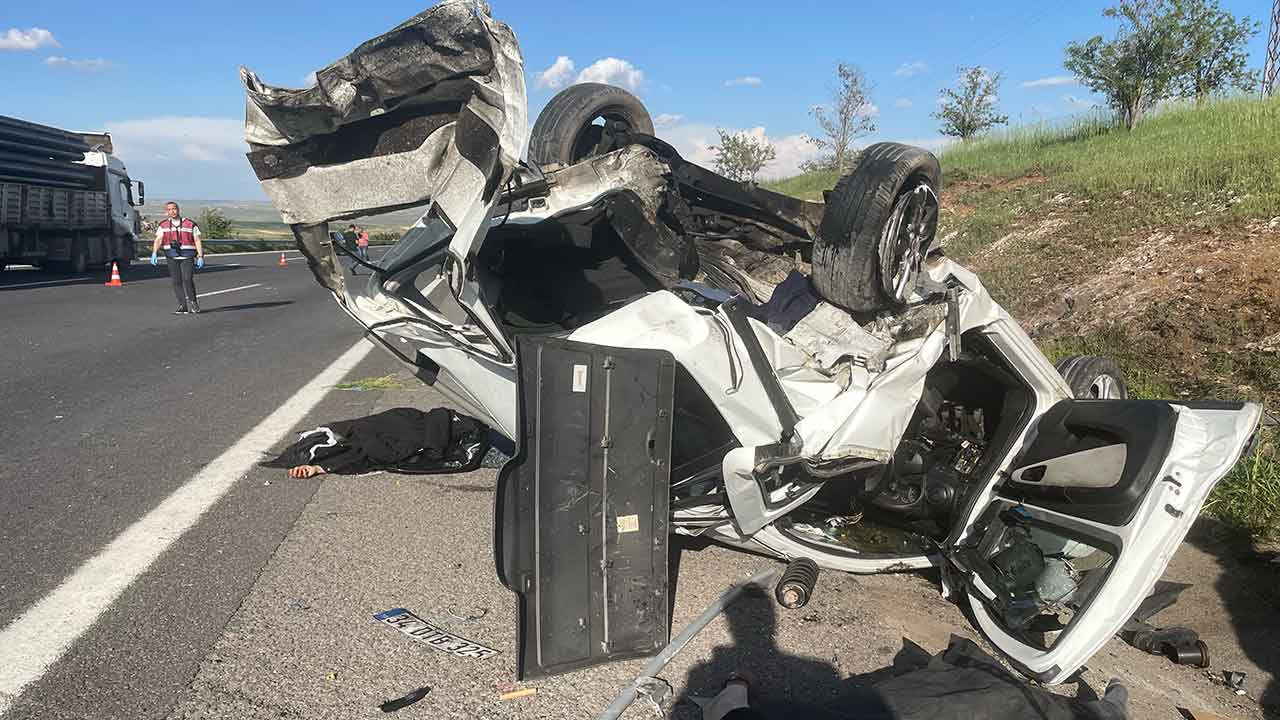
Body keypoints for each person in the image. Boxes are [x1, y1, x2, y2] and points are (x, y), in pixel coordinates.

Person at [151, 202, 205, 314]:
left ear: (178, 209)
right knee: (176, 281)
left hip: (187, 256)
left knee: (187, 279)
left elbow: (197, 240)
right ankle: (182, 306)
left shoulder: (190, 224)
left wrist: (200, 256)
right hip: (172, 256)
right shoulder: (163, 225)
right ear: (167, 211)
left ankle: (193, 302)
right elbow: (158, 240)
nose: (172, 211)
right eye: (169, 209)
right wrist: (154, 252)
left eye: (174, 209)